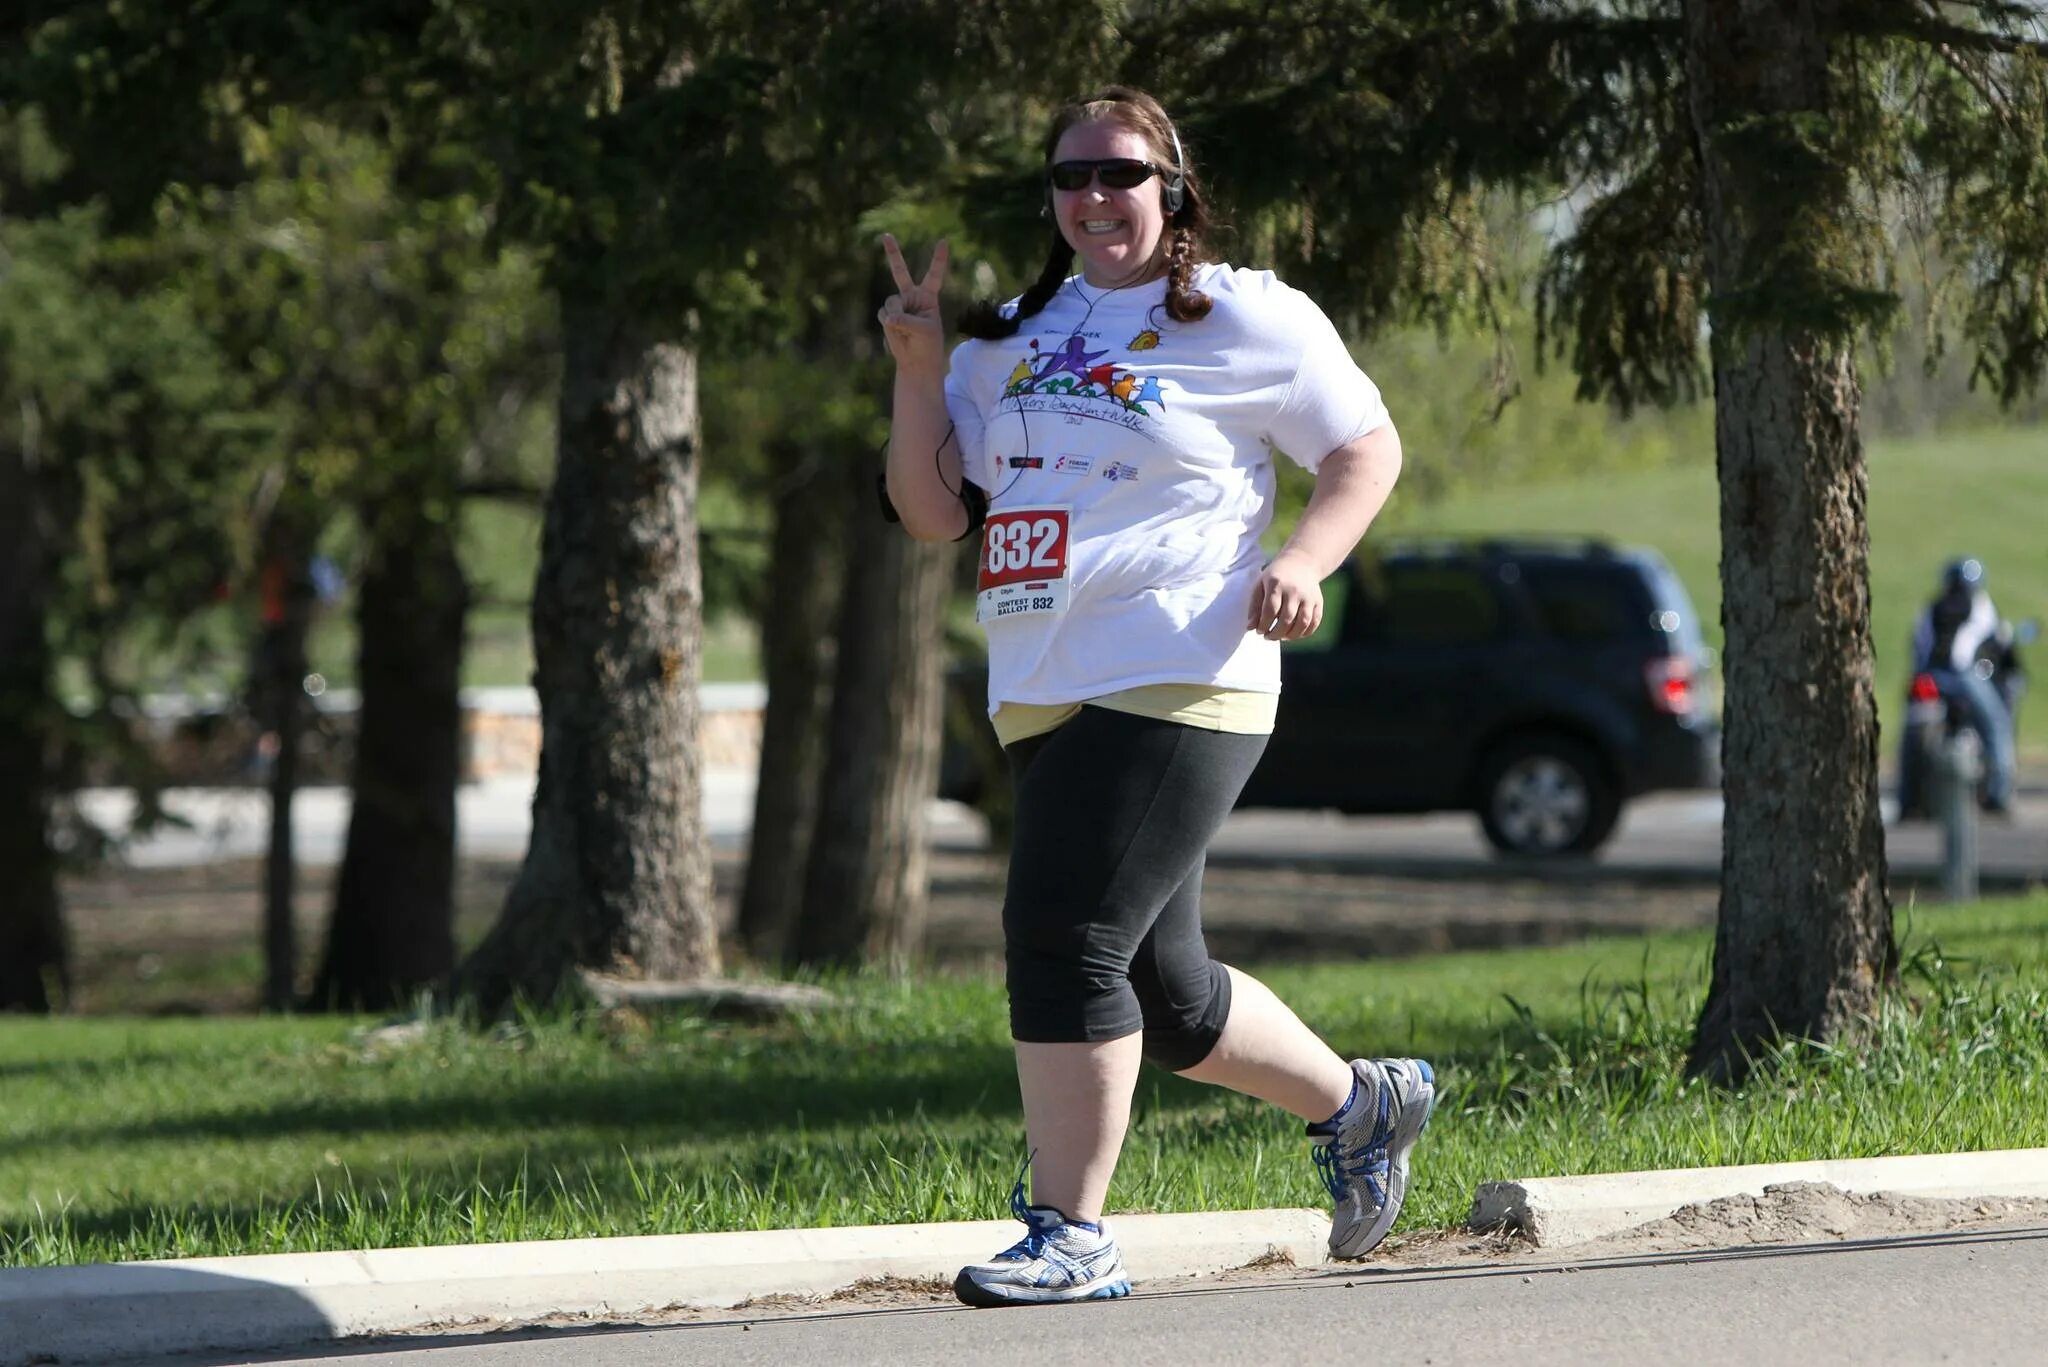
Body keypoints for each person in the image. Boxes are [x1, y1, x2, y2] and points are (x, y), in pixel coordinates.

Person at [876, 86, 1430, 1308]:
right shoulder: (1000, 338)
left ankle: (1070, 1229)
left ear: (1170, 190)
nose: (1092, 199)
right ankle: (1363, 1104)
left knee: (1062, 930)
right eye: (1069, 178)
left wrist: (1298, 562)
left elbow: (1363, 448)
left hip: (1186, 662)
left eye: (1119, 175)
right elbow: (931, 513)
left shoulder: (1248, 315)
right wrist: (919, 369)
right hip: (1040, 681)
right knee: (1165, 994)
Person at [1910, 557, 2016, 814]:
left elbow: (1918, 643)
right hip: (1964, 676)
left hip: (1929, 676)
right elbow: (1999, 641)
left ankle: (1907, 799)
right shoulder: (1981, 605)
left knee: (1912, 725)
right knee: (1997, 725)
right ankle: (1998, 793)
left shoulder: (1931, 608)